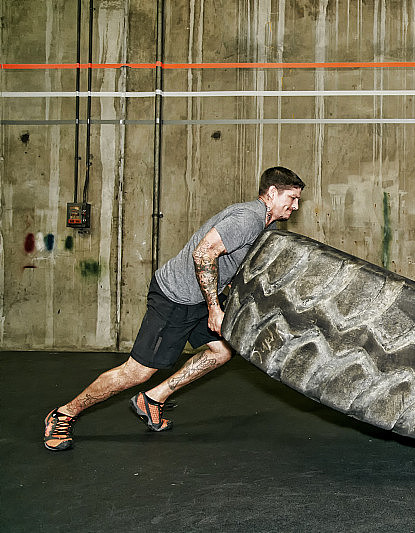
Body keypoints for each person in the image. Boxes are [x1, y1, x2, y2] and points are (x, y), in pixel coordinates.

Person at [43, 166, 305, 451]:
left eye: (298, 199)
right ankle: (64, 414)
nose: (296, 205)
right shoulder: (248, 218)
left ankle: (153, 398)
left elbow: (234, 264)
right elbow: (203, 253)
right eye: (291, 198)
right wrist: (215, 309)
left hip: (200, 298)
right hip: (175, 298)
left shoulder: (268, 224)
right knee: (138, 372)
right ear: (272, 193)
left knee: (222, 351)